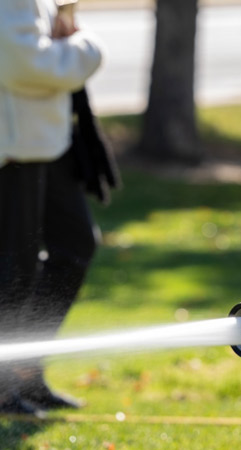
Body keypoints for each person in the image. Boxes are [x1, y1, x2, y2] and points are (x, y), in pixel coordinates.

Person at [0, 0, 110, 415]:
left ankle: (24, 369)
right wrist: (87, 48)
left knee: (74, 246)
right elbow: (23, 65)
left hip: (43, 142)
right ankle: (2, 385)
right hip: (12, 148)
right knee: (13, 268)